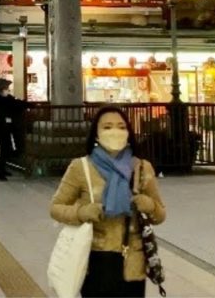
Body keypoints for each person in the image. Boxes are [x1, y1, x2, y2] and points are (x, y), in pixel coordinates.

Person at [50, 105, 165, 297]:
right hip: (94, 261)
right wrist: (81, 213)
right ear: (96, 134)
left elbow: (160, 214)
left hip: (132, 264)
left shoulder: (142, 168)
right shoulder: (81, 167)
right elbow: (55, 207)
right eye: (107, 127)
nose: (115, 132)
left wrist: (150, 205)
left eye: (121, 127)